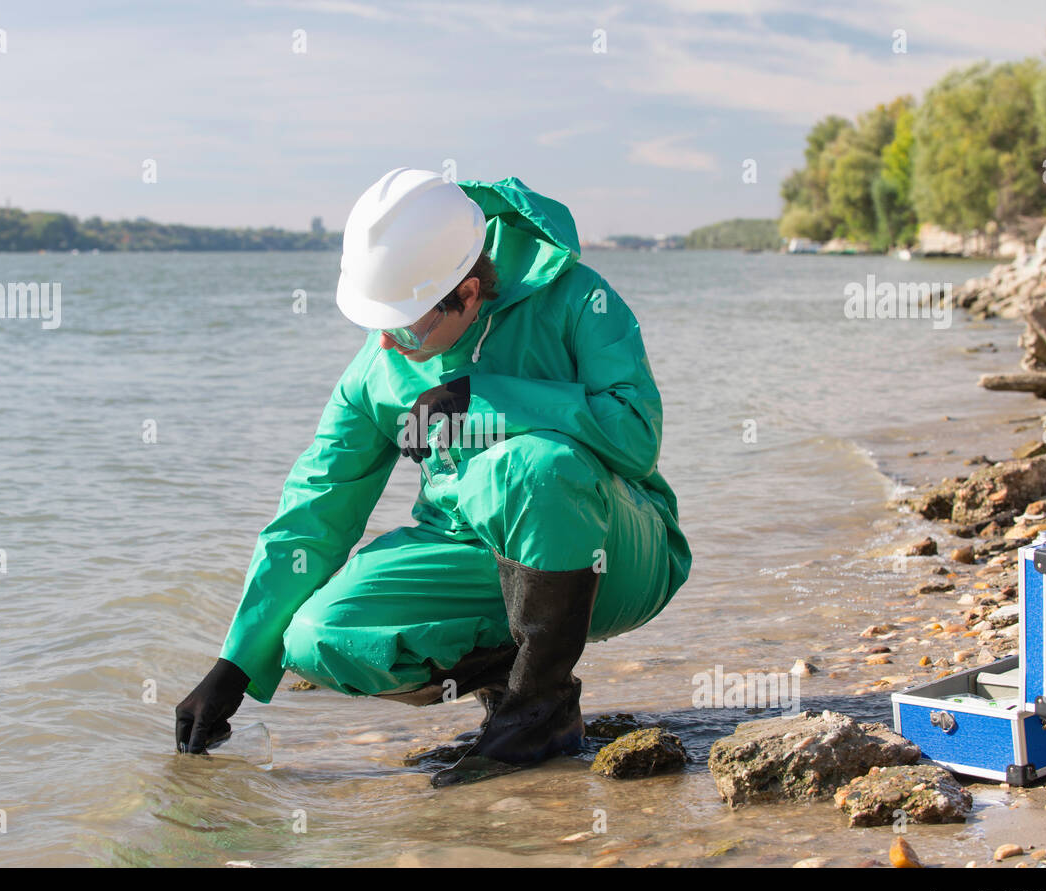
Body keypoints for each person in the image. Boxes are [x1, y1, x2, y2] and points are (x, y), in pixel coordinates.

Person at [176, 168, 691, 786]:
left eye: (404, 324)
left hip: (619, 553)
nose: (388, 345)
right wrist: (236, 664)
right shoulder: (379, 369)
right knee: (318, 637)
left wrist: (487, 397)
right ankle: (513, 684)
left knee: (533, 464)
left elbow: (636, 437)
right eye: (377, 324)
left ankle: (539, 708)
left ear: (470, 292)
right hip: (477, 554)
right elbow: (314, 510)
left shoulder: (581, 298)